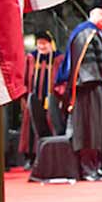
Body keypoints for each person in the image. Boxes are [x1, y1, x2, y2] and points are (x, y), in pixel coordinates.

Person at [58, 6, 102, 181]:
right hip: (88, 88)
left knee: (99, 128)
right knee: (89, 129)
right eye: (101, 14)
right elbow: (86, 64)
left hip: (100, 87)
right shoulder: (85, 33)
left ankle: (96, 166)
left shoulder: (99, 34)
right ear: (91, 15)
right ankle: (87, 169)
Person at [18, 30, 65, 165]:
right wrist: (26, 94)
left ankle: (51, 156)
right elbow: (25, 78)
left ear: (51, 44)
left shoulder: (58, 58)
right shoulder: (31, 58)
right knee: (30, 128)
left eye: (44, 44)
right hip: (34, 99)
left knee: (51, 125)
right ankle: (30, 158)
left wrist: (58, 93)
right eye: (39, 44)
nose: (41, 47)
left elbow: (62, 79)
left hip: (52, 99)